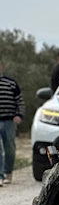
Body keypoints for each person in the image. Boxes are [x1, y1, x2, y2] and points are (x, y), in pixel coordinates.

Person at [0, 58, 24, 187]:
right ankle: (0, 176)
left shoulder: (11, 83)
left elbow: (20, 101)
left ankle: (8, 172)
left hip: (9, 120)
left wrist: (19, 115)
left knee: (9, 148)